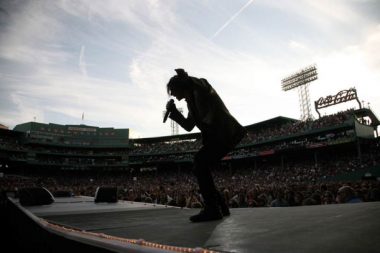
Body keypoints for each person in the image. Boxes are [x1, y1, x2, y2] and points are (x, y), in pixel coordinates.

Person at [165, 68, 246, 222]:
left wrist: (187, 78)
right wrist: (174, 113)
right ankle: (220, 206)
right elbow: (189, 125)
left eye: (173, 90)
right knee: (200, 165)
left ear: (181, 85)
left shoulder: (199, 88)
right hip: (217, 137)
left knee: (200, 163)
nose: (173, 94)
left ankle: (213, 209)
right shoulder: (191, 102)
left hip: (226, 133)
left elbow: (203, 84)